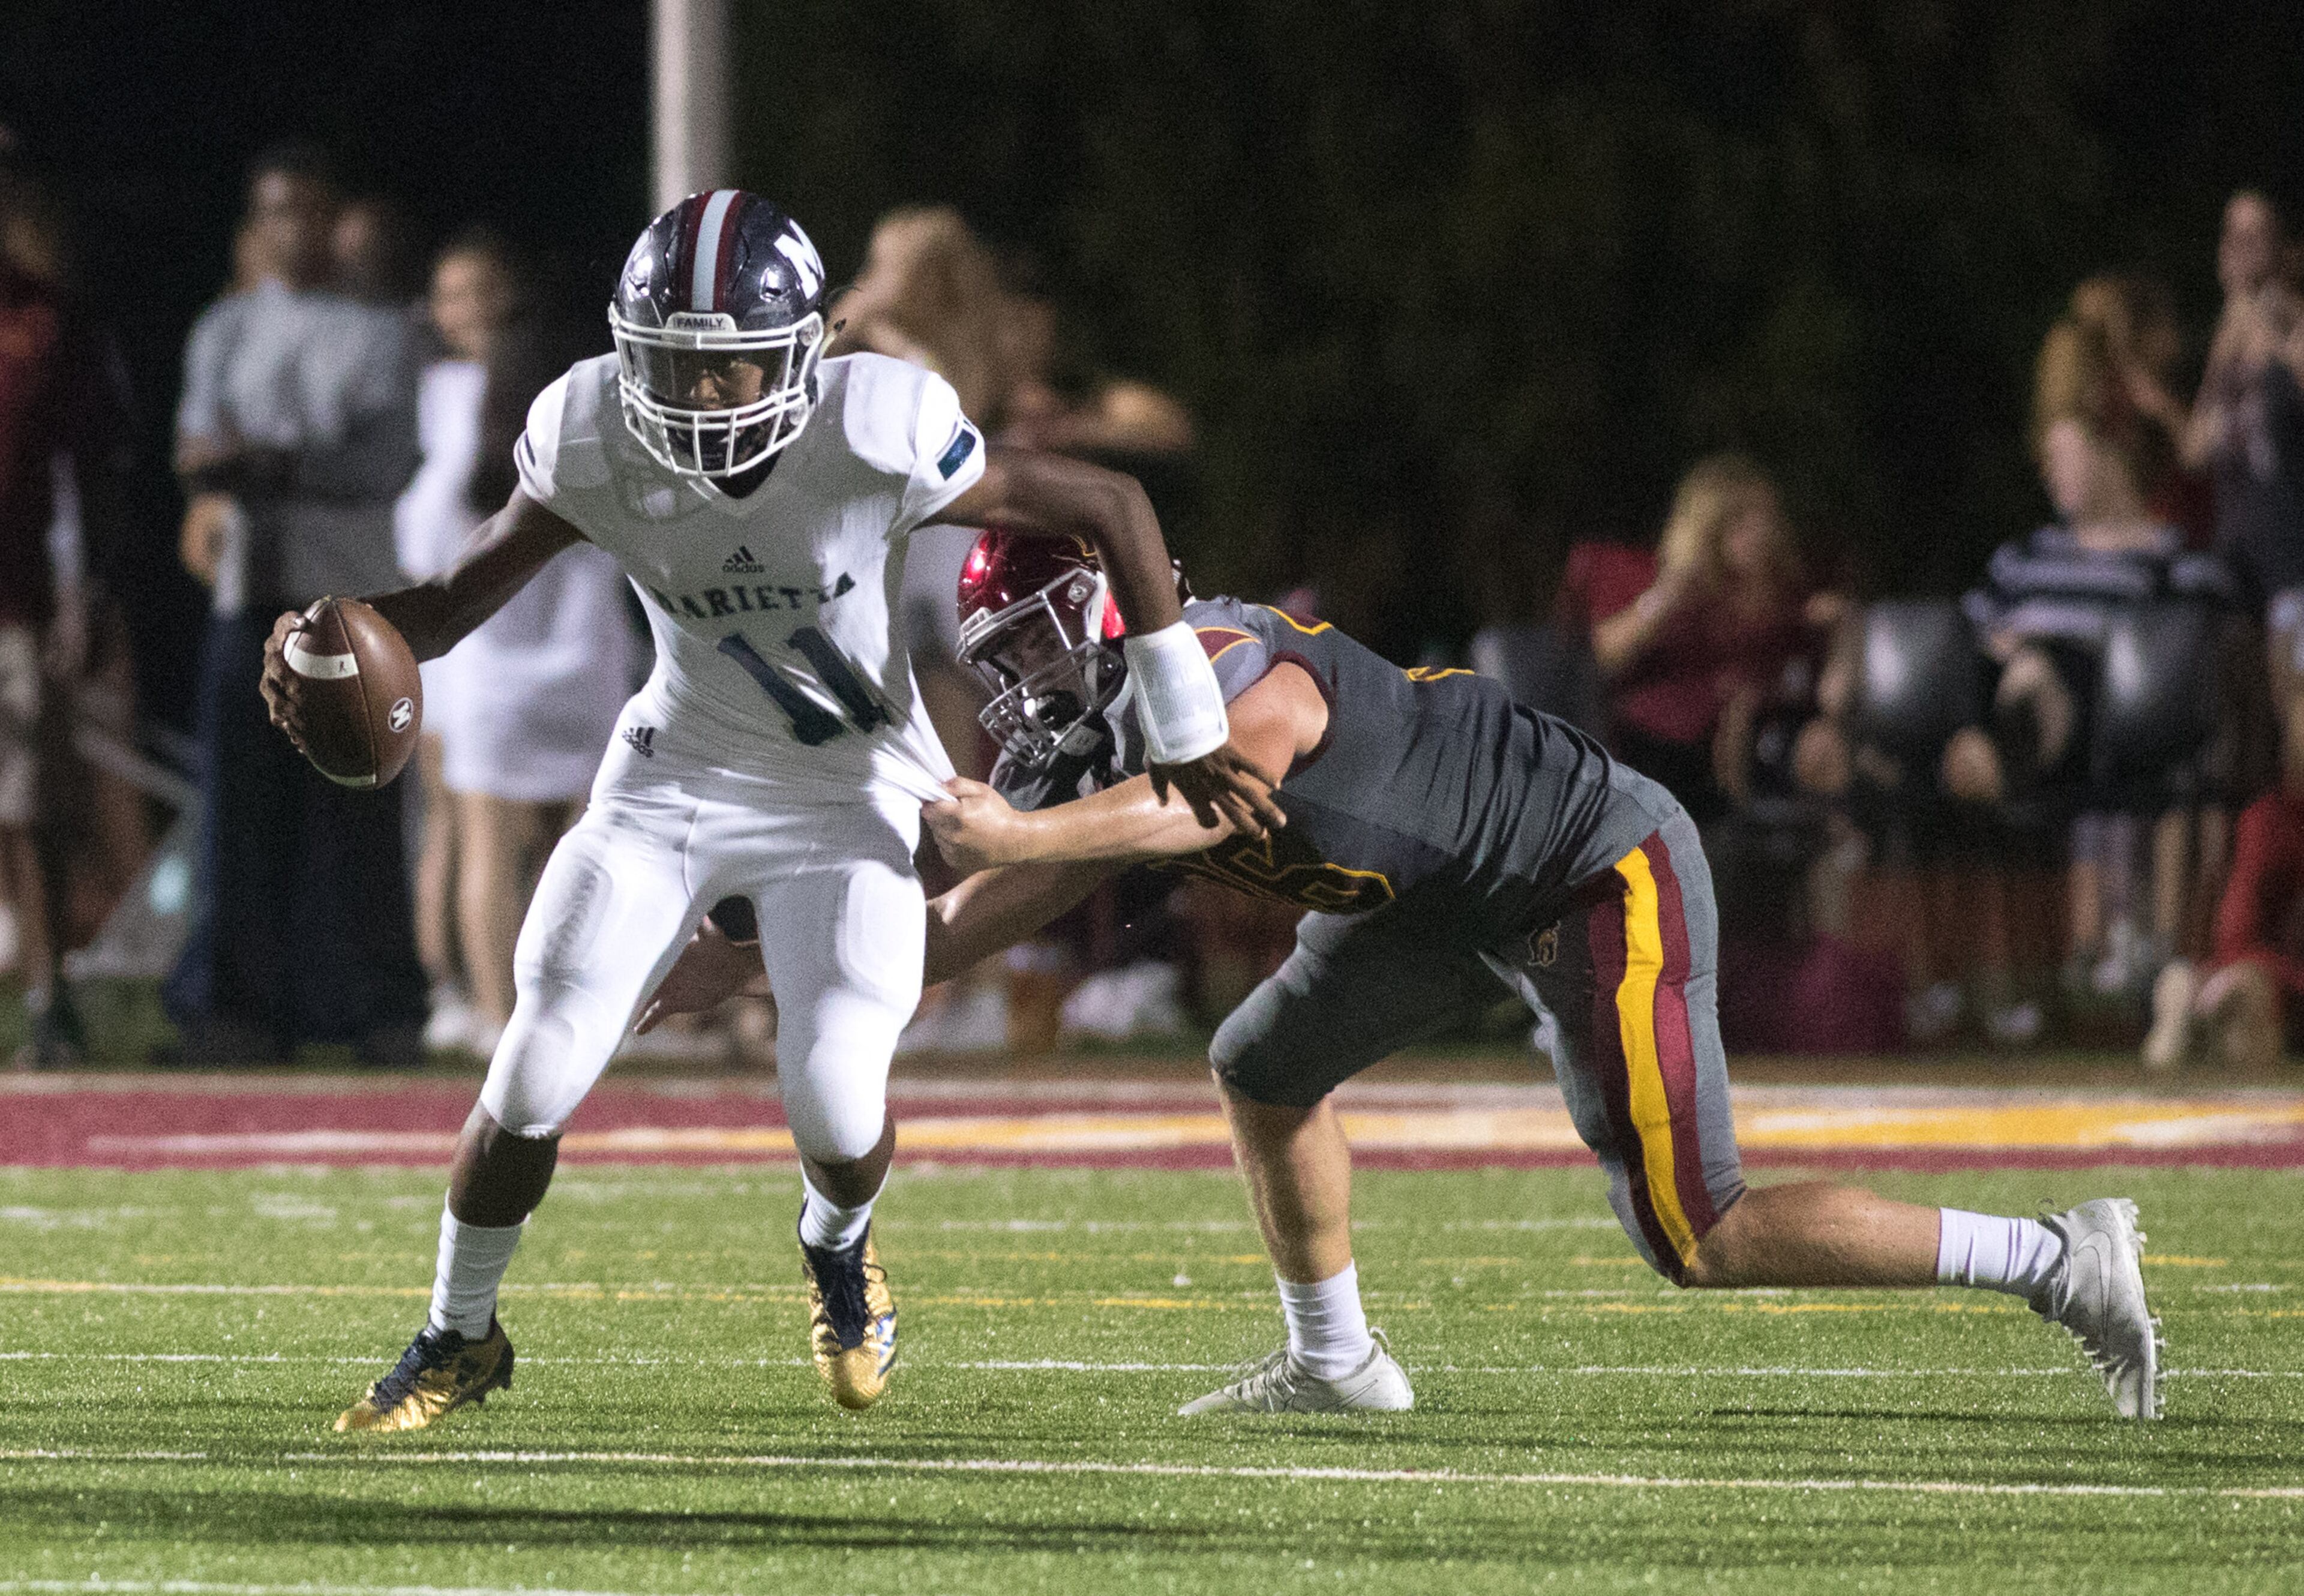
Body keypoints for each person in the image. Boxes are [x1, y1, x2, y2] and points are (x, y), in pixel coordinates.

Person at [647, 530, 2166, 1422]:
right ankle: (1339, 1359)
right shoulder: (1100, 753)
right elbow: (951, 933)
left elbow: (1208, 801)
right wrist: (756, 968)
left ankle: (2053, 1257)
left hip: (1586, 863)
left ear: (1116, 613)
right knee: (1259, 1065)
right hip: (1440, 900)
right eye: (1004, 656)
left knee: (1699, 1233)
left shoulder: (1229, 661)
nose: (1021, 686)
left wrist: (1020, 824)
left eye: (1037, 644)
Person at [262, 191, 1276, 1432]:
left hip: (849, 790)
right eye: (673, 372)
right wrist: (331, 638)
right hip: (669, 779)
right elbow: (451, 599)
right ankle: (457, 1332)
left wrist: (1187, 721)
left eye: (729, 367)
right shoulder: (592, 432)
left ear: (801, 349)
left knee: (837, 1101)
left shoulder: (880, 423)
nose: (700, 402)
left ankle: (837, 1250)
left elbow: (1109, 505)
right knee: (535, 1058)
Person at [168, 143, 427, 1064]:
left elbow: (380, 463)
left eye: (308, 211)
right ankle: (237, 1011)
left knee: (354, 813)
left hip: (343, 603)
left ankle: (375, 1008)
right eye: (274, 211)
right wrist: (274, 459)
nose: (292, 229)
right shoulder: (226, 329)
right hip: (250, 596)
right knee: (240, 816)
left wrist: (270, 461)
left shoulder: (382, 332)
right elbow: (198, 445)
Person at [1556, 454, 1838, 824]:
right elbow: (1603, 655)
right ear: (1710, 528)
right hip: (1659, 749)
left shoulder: (1782, 594)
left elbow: (1802, 684)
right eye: (1740, 521)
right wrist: (1668, 594)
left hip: (1752, 744)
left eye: (1764, 518)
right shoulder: (1665, 586)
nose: (1760, 532)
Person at [2185, 191, 2304, 612]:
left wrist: (2268, 332)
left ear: (2284, 248)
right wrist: (2225, 349)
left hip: (2290, 543)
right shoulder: (2228, 335)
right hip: (2235, 542)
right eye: (2233, 234)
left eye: (2256, 234)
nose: (2241, 246)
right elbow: (2195, 451)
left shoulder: (2294, 324)